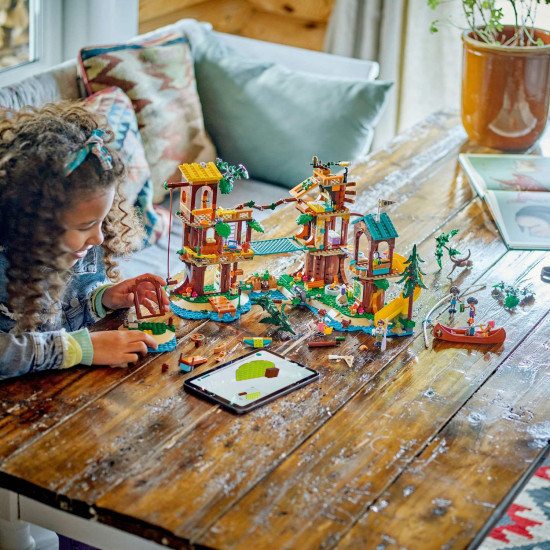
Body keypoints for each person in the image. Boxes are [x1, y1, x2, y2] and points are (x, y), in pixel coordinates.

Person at [0, 103, 170, 380]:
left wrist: (103, 299)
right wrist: (75, 349)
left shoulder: (82, 247)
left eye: (102, 221)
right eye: (85, 225)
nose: (99, 237)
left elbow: (66, 312)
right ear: (31, 223)